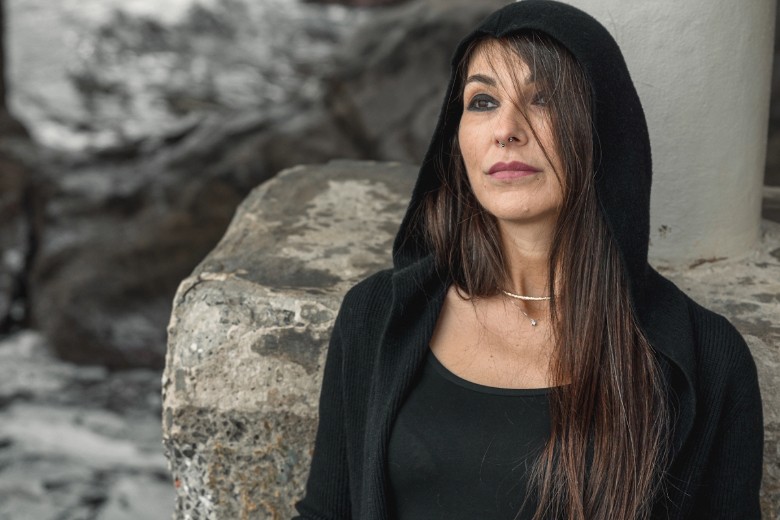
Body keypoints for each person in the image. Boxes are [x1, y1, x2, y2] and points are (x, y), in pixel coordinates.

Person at [293, 1, 764, 519]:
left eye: (543, 99)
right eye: (483, 101)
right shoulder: (377, 316)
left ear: (602, 127)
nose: (506, 129)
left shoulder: (706, 359)